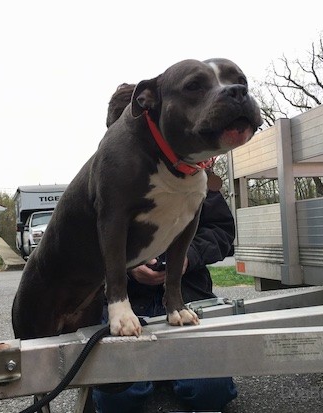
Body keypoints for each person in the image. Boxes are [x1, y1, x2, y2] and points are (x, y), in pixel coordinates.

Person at [92, 83, 238, 412]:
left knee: (210, 392)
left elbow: (221, 231)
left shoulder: (194, 171)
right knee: (120, 399)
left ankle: (171, 370)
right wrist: (126, 267)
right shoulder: (103, 177)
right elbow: (85, 240)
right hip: (126, 306)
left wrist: (186, 258)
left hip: (189, 294)